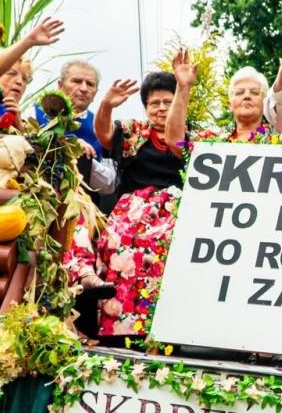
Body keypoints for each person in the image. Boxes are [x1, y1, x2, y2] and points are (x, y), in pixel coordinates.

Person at [68, 51, 196, 339]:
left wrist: (183, 87)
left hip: (174, 209)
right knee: (117, 243)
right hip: (131, 207)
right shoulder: (134, 131)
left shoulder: (192, 136)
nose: (161, 108)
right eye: (154, 103)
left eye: (168, 101)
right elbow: (103, 135)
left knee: (162, 246)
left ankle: (160, 331)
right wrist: (106, 106)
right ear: (145, 108)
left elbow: (177, 144)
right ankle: (115, 327)